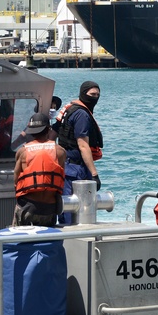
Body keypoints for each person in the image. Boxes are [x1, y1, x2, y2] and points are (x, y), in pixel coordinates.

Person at [56, 81, 103, 224]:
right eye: (92, 94)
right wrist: (94, 174)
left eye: (97, 95)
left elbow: (53, 133)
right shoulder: (82, 115)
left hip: (65, 165)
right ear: (83, 94)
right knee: (78, 210)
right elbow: (83, 145)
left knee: (66, 207)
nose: (95, 98)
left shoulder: (69, 109)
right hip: (76, 168)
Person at [13, 112, 66, 227]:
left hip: (28, 207)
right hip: (50, 208)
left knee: (21, 242)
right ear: (48, 129)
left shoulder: (22, 152)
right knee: (46, 241)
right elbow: (62, 177)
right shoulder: (60, 152)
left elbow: (16, 181)